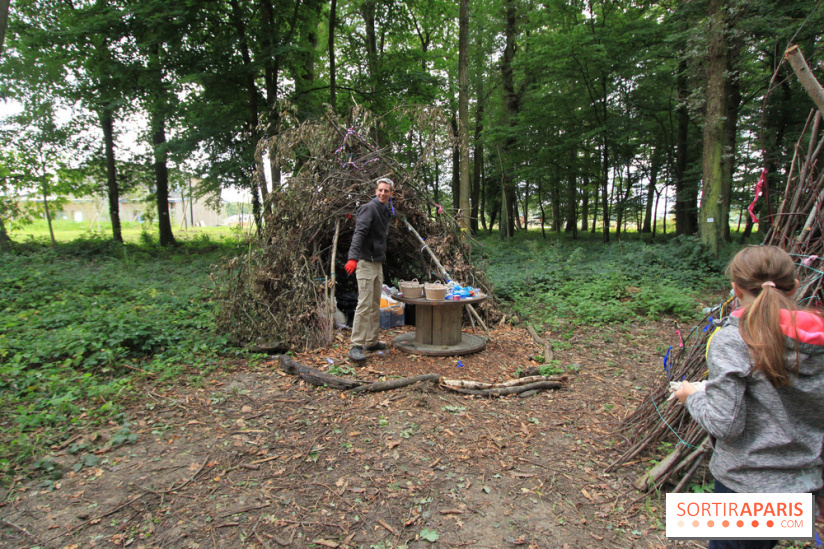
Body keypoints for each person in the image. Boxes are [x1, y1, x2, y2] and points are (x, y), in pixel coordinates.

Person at [675, 245, 824, 549]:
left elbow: (725, 423)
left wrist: (691, 396)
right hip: (802, 482)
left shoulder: (735, 339)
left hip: (745, 485)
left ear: (736, 289)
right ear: (795, 287)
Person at [344, 177, 394, 362]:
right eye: (380, 190)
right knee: (364, 305)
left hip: (377, 263)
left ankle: (371, 341)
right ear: (376, 191)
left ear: (391, 193)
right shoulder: (369, 208)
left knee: (374, 304)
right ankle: (356, 345)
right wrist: (352, 258)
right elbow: (359, 233)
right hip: (365, 263)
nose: (382, 193)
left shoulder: (385, 210)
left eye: (386, 191)